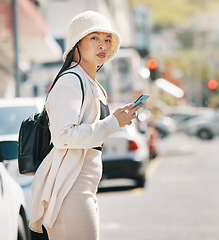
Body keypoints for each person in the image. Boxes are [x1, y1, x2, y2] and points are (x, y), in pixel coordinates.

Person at [28, 11, 143, 240]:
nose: (103, 45)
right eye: (94, 38)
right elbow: (63, 136)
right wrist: (113, 122)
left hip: (82, 189)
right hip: (69, 191)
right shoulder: (71, 80)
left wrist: (117, 121)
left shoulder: (93, 85)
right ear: (76, 43)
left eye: (107, 40)